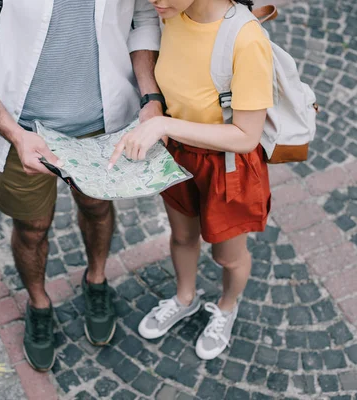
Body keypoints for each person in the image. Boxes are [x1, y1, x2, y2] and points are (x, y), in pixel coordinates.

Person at [0, 0, 163, 371]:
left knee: (97, 206)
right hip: (20, 130)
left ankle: (97, 280)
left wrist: (150, 96)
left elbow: (144, 16)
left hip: (105, 123)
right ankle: (39, 304)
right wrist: (14, 134)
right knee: (31, 227)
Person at [109, 0, 273, 360]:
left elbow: (246, 136)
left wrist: (164, 124)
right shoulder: (173, 15)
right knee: (182, 236)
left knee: (228, 256)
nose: (154, 1)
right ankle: (185, 297)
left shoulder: (245, 39)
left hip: (226, 166)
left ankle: (226, 307)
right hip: (180, 156)